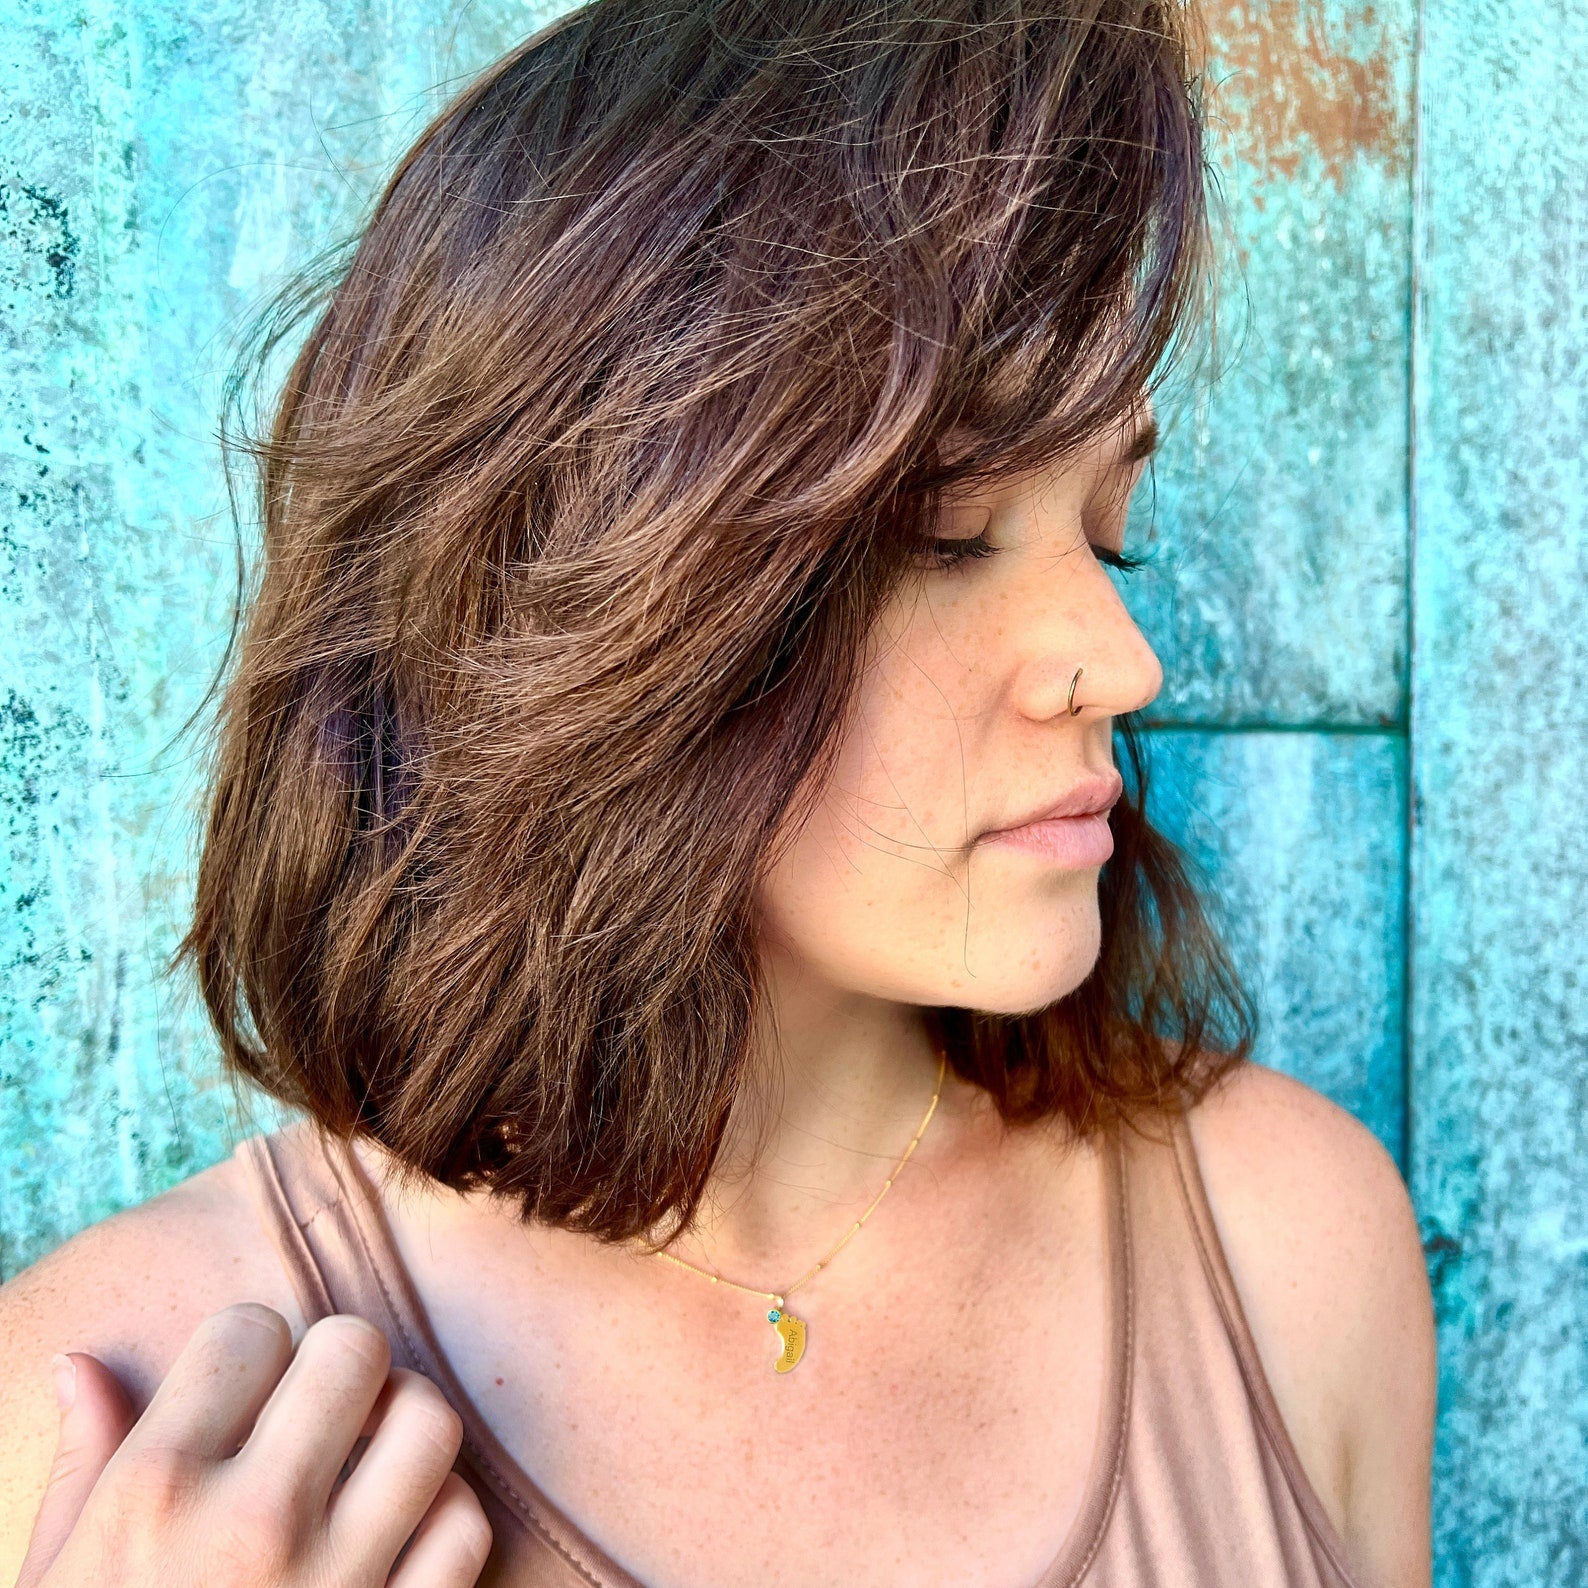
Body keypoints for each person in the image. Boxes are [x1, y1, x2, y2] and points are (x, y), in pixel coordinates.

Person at [0, 2, 1436, 1584]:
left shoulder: (1294, 1247)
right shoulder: (105, 1409)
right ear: (586, 583)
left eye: (1109, 533)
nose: (1124, 661)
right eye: (946, 535)